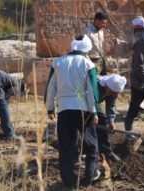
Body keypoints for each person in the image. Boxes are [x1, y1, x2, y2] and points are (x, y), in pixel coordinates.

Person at [45, 34, 100, 187]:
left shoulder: (57, 62)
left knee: (66, 144)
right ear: (86, 49)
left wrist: (50, 107)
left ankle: (69, 181)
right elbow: (92, 90)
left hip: (63, 108)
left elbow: (50, 87)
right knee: (90, 143)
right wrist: (94, 111)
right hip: (83, 108)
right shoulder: (88, 64)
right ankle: (90, 176)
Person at [96, 74, 127, 162]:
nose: (114, 95)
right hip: (81, 99)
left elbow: (110, 106)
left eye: (116, 94)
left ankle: (106, 153)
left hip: (94, 102)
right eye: (113, 93)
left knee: (102, 122)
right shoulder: (95, 85)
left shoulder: (113, 90)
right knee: (99, 120)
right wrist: (93, 115)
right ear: (106, 87)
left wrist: (111, 121)